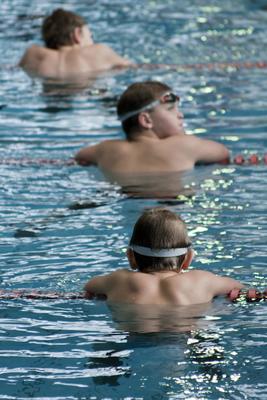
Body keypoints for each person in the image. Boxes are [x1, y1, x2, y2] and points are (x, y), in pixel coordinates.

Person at [84, 208, 244, 305]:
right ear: (188, 259)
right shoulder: (201, 280)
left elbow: (89, 287)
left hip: (136, 333)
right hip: (183, 334)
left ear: (130, 257)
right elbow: (239, 287)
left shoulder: (119, 280)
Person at [75, 81, 230, 175]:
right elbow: (223, 152)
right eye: (171, 109)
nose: (180, 115)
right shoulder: (183, 145)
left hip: (123, 197)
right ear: (146, 120)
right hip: (170, 204)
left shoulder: (106, 149)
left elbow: (80, 156)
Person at [19, 8, 132, 79]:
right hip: (84, 95)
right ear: (77, 34)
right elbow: (133, 67)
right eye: (90, 36)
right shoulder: (98, 51)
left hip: (49, 94)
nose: (92, 41)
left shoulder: (32, 53)